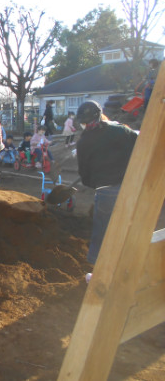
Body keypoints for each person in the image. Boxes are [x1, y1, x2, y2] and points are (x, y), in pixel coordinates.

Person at [75, 101, 137, 273]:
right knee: (129, 228)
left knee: (102, 232)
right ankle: (129, 265)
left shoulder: (83, 142)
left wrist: (94, 183)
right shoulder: (120, 131)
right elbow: (139, 144)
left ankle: (99, 271)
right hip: (130, 187)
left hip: (106, 191)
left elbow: (84, 174)